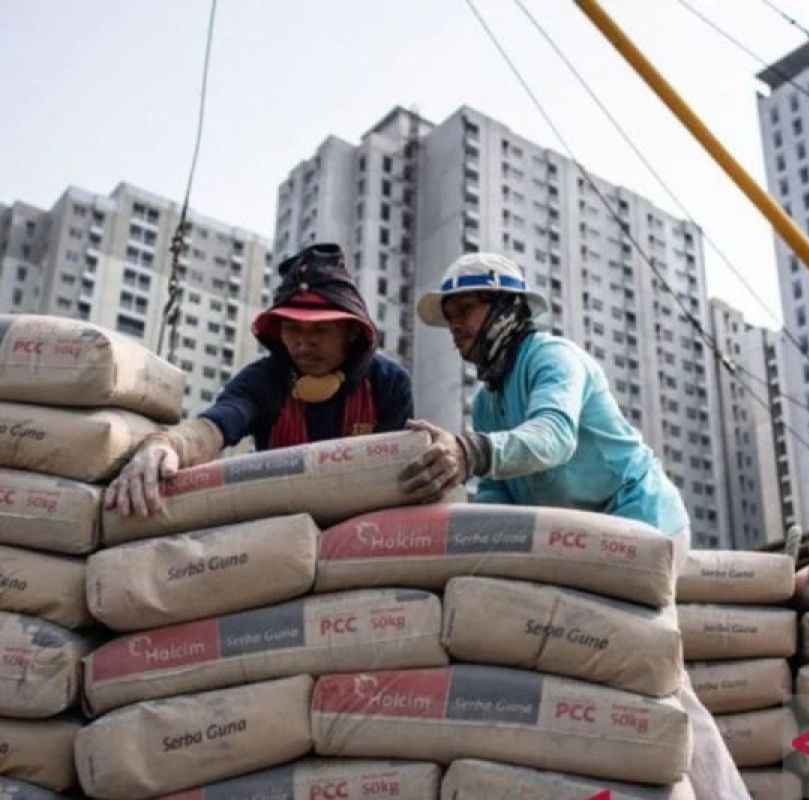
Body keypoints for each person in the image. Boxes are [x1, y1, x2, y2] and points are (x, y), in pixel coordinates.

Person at [398, 252, 751, 800]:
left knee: (658, 682)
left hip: (642, 526)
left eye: (465, 310)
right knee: (588, 673)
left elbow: (553, 436)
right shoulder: (487, 404)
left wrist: (470, 452)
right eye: (450, 318)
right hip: (585, 550)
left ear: (506, 310)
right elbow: (498, 500)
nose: (455, 329)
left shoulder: (554, 359)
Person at [105, 242, 414, 516]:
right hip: (279, 527)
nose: (304, 344)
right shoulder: (265, 379)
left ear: (351, 332)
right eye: (292, 329)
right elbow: (219, 422)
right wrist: (166, 444)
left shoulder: (388, 384)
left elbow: (397, 474)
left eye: (319, 329)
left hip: (362, 526)